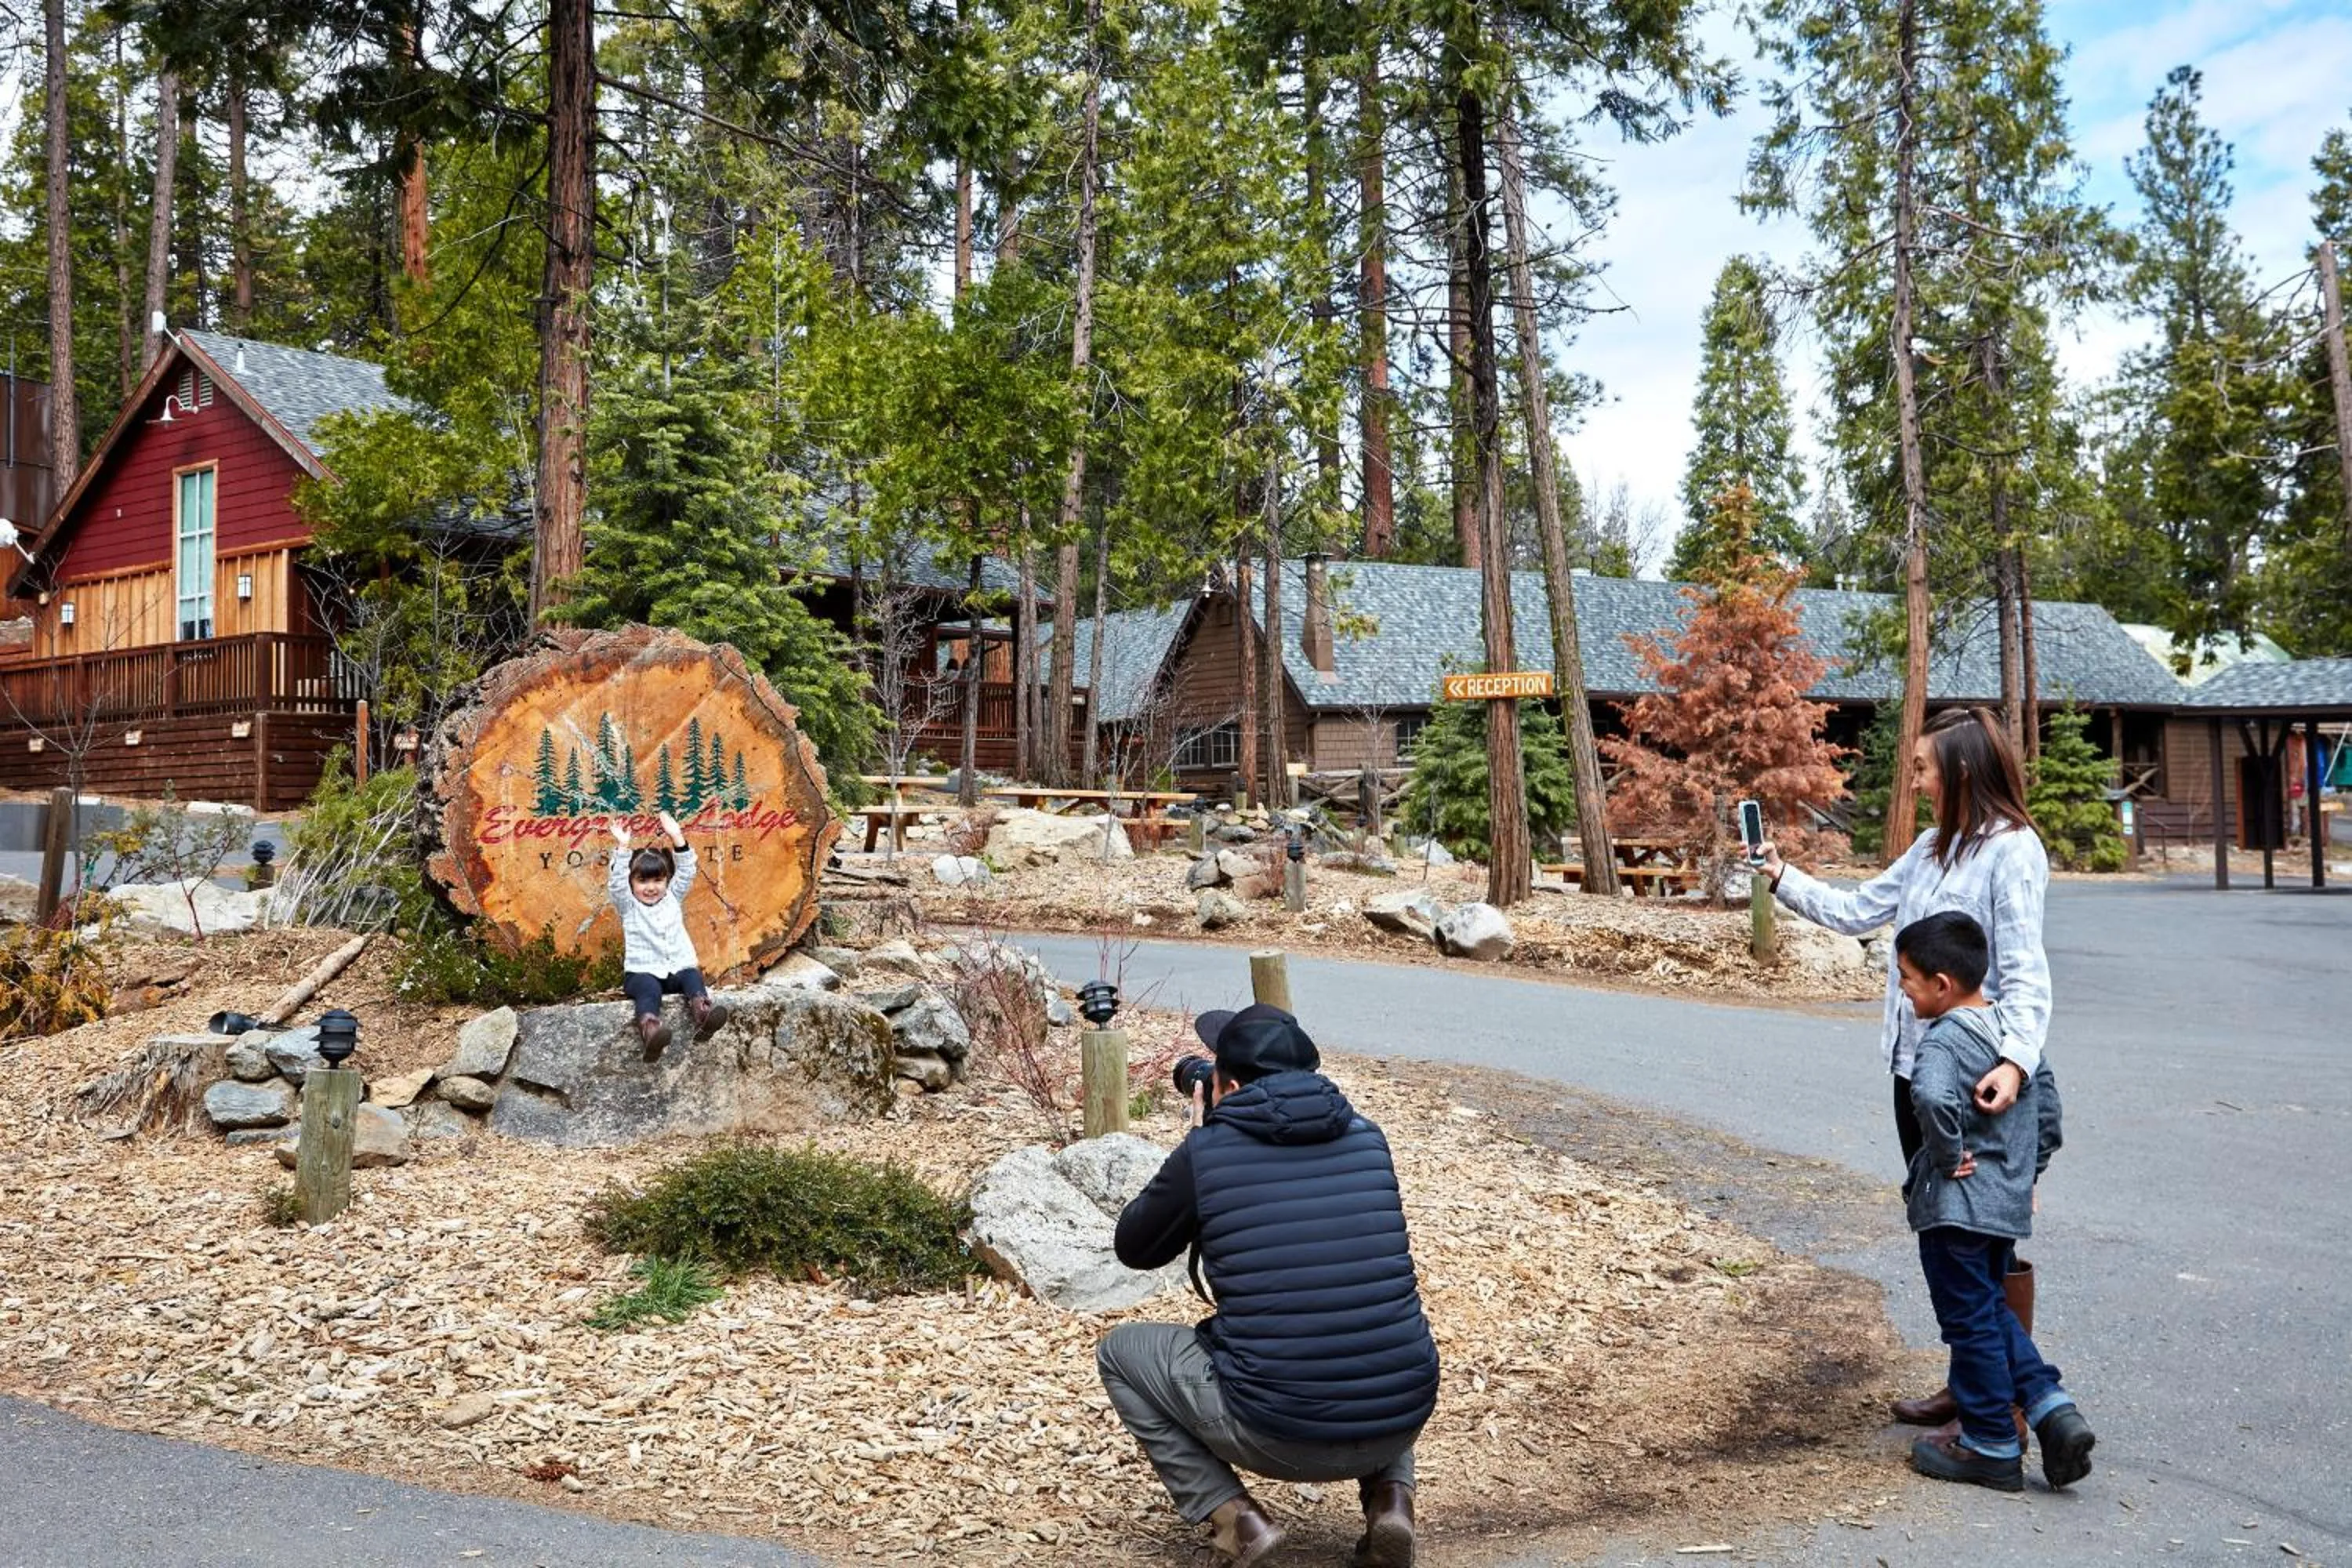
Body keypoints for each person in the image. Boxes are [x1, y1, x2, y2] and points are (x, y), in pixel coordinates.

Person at [1758, 706, 2055, 1429]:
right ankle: (1979, 1383)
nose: (1915, 781)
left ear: (1957, 770)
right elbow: (1861, 911)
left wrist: (2014, 1064)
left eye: (1922, 767)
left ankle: (2017, 1400)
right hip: (1915, 1075)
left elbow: (2025, 973)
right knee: (1946, 1241)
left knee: (1980, 1246)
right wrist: (1780, 875)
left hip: (1982, 1081)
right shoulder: (1929, 849)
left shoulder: (2013, 851)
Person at [1098, 1004, 1439, 1568]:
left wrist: (1198, 1143)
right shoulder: (1368, 1138)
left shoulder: (1208, 1151)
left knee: (1120, 1353)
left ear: (1226, 1085)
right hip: (1401, 1416)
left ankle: (1241, 1525)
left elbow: (1134, 1248)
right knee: (1375, 1332)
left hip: (1278, 1431)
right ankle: (1392, 1502)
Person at [1893, 911, 2094, 1490]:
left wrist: (1948, 1150)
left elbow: (1929, 1095)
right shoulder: (2013, 1037)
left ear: (1941, 985)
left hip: (1956, 1205)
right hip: (2001, 1205)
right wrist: (2027, 1172)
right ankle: (2051, 1408)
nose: (1902, 990)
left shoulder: (1942, 1042)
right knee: (1990, 1310)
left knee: (1969, 1321)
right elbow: (2049, 1114)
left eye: (1907, 978)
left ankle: (1989, 1442)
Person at [608, 810, 728, 1053]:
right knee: (649, 991)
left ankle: (703, 1013)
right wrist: (622, 847)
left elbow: (686, 871)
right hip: (642, 973)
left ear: (666, 880)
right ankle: (651, 1029)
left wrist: (677, 836)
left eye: (658, 881)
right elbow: (616, 883)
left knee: (692, 975)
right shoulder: (628, 905)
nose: (651, 888)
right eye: (643, 881)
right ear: (632, 883)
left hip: (676, 970)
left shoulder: (673, 897)